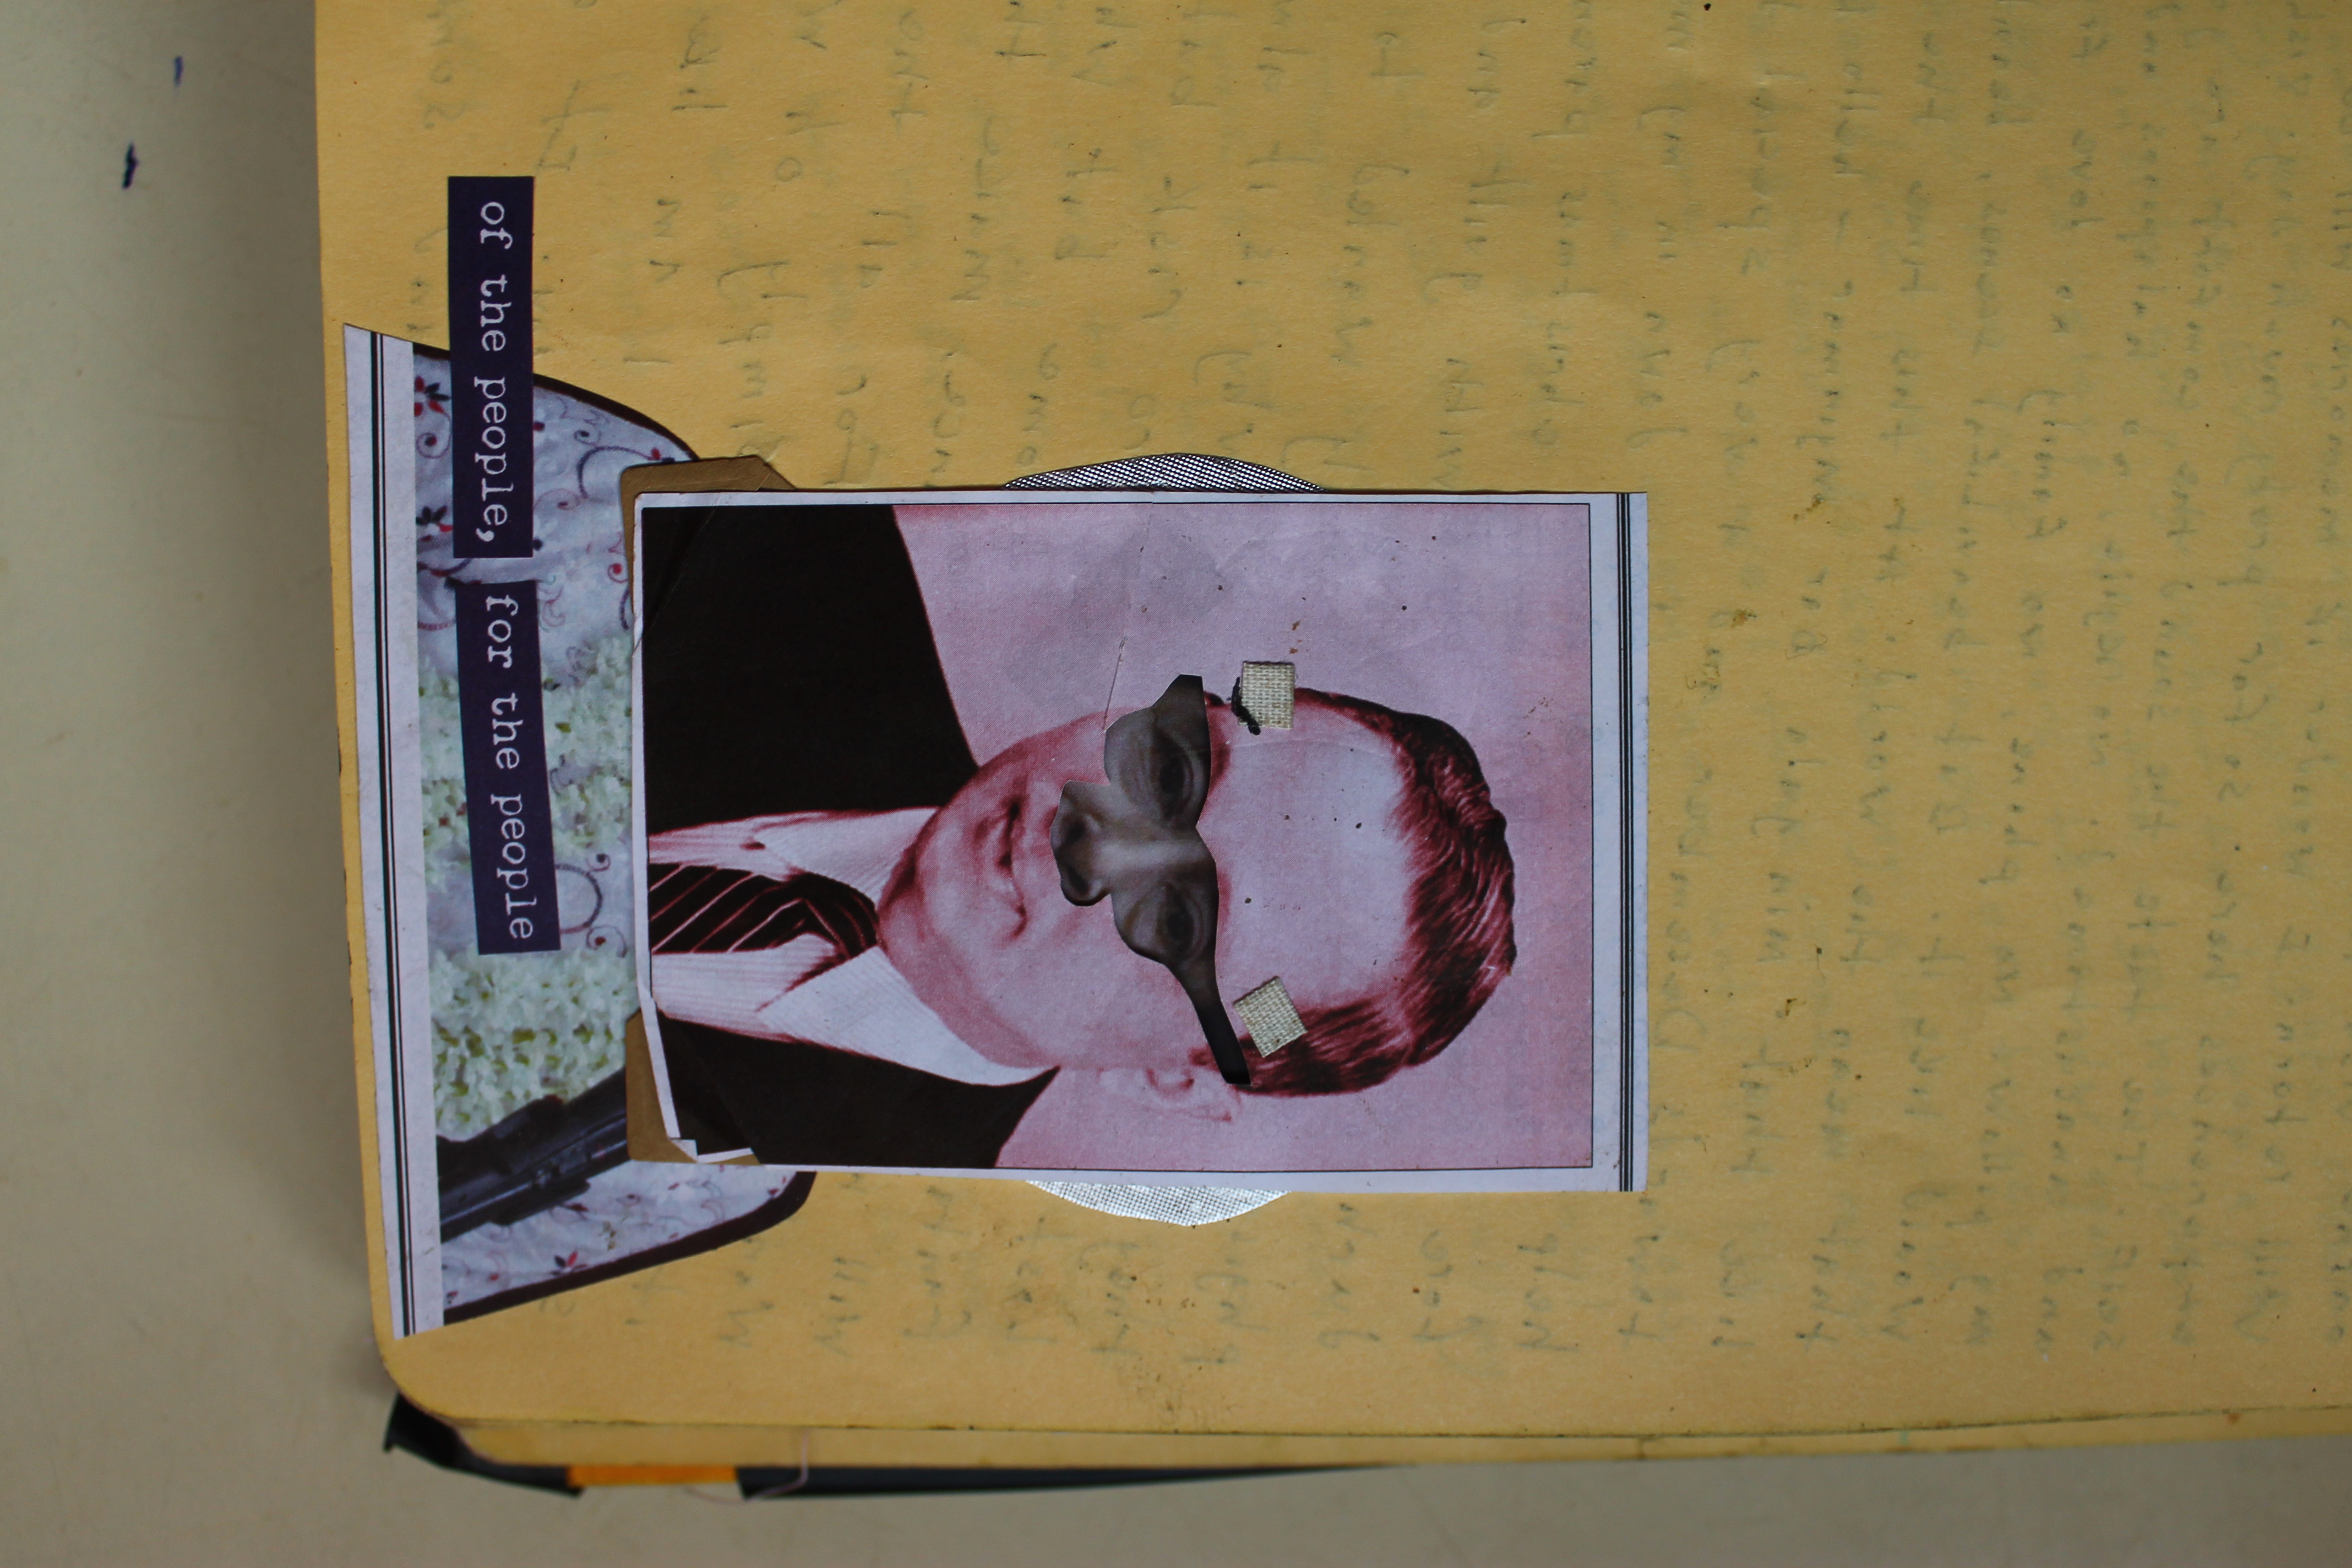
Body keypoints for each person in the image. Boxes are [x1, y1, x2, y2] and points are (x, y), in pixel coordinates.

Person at [638, 500, 1515, 1169]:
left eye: (1178, 921)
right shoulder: (765, 546)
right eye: (1171, 773)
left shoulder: (861, 1236)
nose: (1089, 837)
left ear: (1173, 1077)